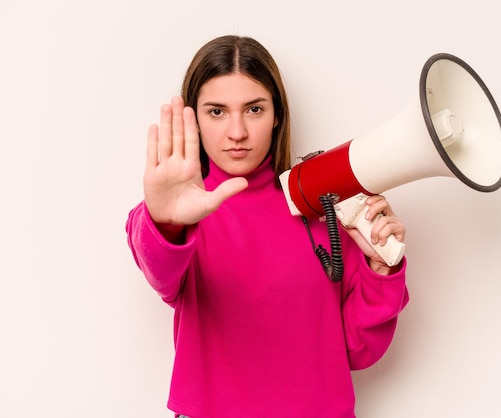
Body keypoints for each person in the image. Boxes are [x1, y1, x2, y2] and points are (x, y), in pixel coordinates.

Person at [126, 35, 409, 418]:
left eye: (254, 109)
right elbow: (159, 271)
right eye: (216, 112)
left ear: (277, 114)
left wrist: (381, 270)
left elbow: (358, 353)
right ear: (193, 118)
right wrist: (167, 220)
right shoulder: (180, 213)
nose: (237, 132)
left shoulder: (323, 207)